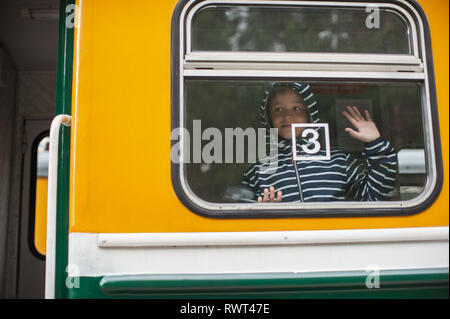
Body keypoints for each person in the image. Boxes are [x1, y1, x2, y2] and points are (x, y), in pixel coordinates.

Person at [242, 82, 397, 203]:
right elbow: (241, 220)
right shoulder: (258, 170)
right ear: (268, 118)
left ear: (310, 115)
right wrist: (263, 214)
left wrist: (376, 144)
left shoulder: (339, 161)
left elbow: (374, 197)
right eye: (277, 110)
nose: (287, 116)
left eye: (296, 108)